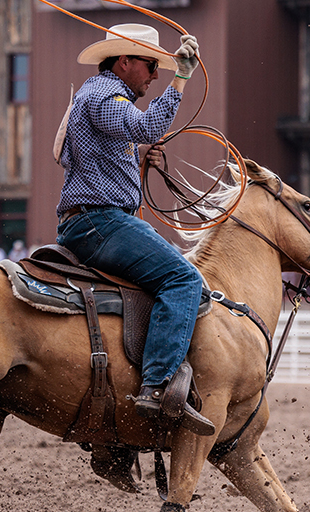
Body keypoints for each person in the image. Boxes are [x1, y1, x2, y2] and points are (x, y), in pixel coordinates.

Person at [53, 22, 213, 436]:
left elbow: (100, 153)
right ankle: (157, 387)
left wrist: (138, 159)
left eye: (161, 67)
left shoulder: (96, 95)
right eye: (151, 64)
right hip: (100, 221)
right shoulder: (106, 94)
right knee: (182, 278)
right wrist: (182, 77)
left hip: (92, 218)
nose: (156, 74)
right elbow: (145, 127)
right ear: (124, 62)